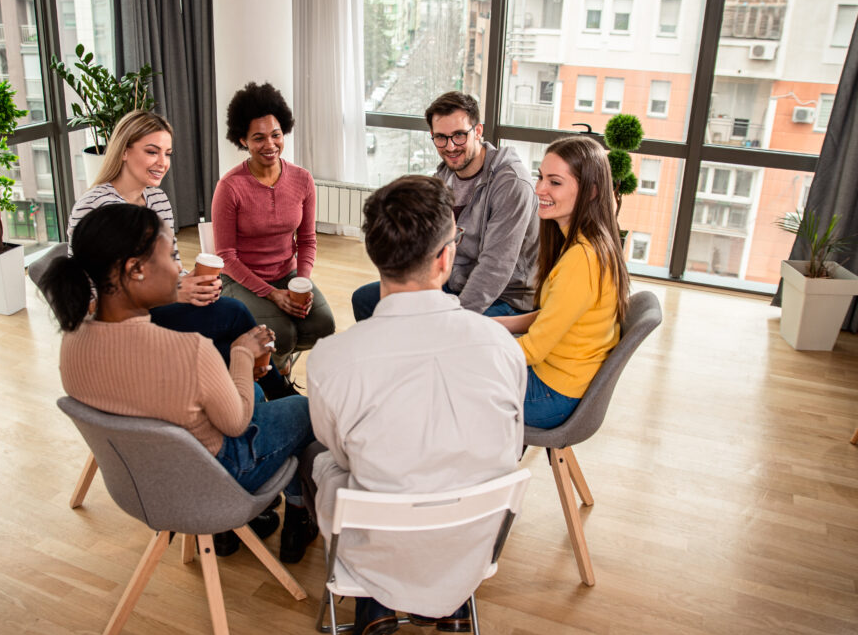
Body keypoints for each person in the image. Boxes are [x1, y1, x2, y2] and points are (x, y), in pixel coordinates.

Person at [305, 175, 525, 635]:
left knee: (320, 459)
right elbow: (510, 441)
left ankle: (376, 602)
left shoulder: (330, 358)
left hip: (379, 548)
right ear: (446, 257)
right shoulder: (500, 345)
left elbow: (339, 453)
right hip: (473, 544)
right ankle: (450, 599)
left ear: (374, 255)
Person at [43, 203, 319, 562]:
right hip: (215, 480)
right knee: (306, 408)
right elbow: (235, 423)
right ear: (136, 269)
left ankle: (241, 529)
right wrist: (241, 354)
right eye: (171, 255)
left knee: (249, 389)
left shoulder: (71, 341)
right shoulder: (188, 351)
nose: (179, 269)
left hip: (141, 483)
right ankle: (299, 511)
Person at [67, 110, 295, 400]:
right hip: (113, 326)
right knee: (234, 313)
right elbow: (94, 298)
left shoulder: (156, 199)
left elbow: (171, 266)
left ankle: (262, 410)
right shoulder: (97, 208)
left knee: (228, 346)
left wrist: (194, 284)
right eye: (152, 152)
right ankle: (283, 401)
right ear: (124, 151)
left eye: (167, 153)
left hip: (153, 309)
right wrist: (174, 293)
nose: (162, 163)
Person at [351, 91, 538, 322]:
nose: (450, 147)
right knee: (365, 300)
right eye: (441, 137)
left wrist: (451, 319)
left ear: (477, 131)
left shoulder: (511, 184)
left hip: (504, 297)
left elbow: (495, 268)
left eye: (459, 135)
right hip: (452, 280)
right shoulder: (443, 175)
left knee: (428, 327)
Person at [494, 136, 630, 429]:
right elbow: (553, 316)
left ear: (591, 192)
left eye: (555, 182)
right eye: (541, 177)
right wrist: (494, 327)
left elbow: (532, 351)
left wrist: (471, 346)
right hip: (562, 380)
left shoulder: (581, 259)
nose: (539, 188)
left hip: (550, 394)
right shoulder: (587, 242)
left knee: (448, 378)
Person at [212, 82, 335, 371]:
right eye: (258, 138)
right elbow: (226, 256)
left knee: (324, 326)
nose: (270, 145)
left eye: (276, 135)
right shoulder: (229, 187)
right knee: (283, 336)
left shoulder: (302, 179)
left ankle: (279, 357)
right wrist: (272, 294)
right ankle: (276, 367)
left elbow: (306, 240)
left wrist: (300, 285)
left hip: (286, 273)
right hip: (241, 279)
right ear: (243, 140)